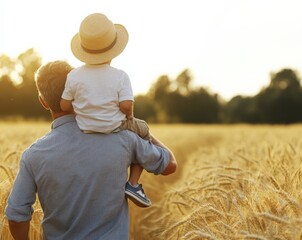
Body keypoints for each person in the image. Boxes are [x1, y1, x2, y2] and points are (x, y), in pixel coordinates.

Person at [5, 60, 177, 239]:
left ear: (43, 102)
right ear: (80, 92)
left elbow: (16, 217)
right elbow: (170, 164)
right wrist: (140, 130)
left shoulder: (33, 155)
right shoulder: (123, 138)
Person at [60, 13, 158, 208]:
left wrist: (81, 108)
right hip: (115, 126)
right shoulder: (120, 76)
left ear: (83, 50)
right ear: (113, 52)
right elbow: (126, 106)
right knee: (144, 130)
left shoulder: (74, 76)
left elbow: (64, 106)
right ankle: (133, 184)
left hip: (85, 126)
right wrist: (128, 114)